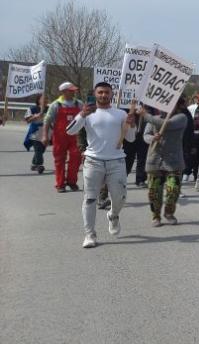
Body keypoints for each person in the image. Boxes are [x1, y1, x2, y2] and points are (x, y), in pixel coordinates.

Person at [65, 82, 137, 248]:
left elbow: (131, 138)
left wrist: (132, 124)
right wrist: (82, 115)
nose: (103, 95)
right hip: (93, 161)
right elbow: (70, 131)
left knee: (120, 198)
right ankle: (90, 235)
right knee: (90, 199)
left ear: (112, 94)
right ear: (95, 94)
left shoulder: (121, 114)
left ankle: (113, 215)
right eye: (100, 92)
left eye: (106, 92)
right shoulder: (88, 113)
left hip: (117, 161)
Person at [143, 107, 188, 226]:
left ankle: (169, 213)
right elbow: (146, 135)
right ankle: (155, 216)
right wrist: (153, 138)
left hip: (174, 162)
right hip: (154, 160)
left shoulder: (181, 118)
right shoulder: (154, 119)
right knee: (154, 192)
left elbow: (166, 124)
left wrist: (145, 115)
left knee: (173, 190)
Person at [42, 82, 84, 193]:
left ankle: (72, 181)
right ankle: (60, 184)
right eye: (71, 90)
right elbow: (47, 121)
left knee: (76, 159)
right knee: (59, 160)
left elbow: (86, 119)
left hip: (76, 136)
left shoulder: (79, 104)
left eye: (73, 90)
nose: (73, 92)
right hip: (60, 137)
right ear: (64, 91)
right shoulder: (55, 105)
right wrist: (45, 135)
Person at [24, 93, 48, 174]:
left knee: (42, 150)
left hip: (45, 132)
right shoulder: (33, 109)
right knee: (38, 149)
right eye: (43, 99)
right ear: (38, 100)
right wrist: (36, 116)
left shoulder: (49, 109)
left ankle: (34, 164)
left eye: (46, 99)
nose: (45, 100)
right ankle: (39, 165)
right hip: (35, 132)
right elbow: (27, 120)